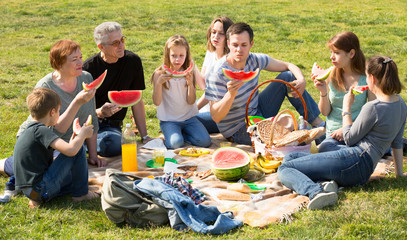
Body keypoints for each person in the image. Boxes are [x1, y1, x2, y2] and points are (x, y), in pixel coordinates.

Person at [278, 56, 407, 210]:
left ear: (371, 78)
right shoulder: (400, 103)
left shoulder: (373, 107)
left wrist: (347, 109)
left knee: (284, 169)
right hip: (363, 168)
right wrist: (399, 173)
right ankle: (326, 184)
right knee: (291, 158)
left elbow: (349, 139)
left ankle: (315, 192)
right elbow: (397, 142)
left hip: (355, 160)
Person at [0, 39, 105, 179]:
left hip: (66, 145)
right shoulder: (45, 87)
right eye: (74, 59)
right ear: (59, 63)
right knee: (50, 172)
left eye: (80, 57)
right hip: (40, 142)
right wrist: (77, 102)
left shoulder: (86, 78)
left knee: (69, 172)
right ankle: (7, 164)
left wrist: (93, 156)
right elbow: (54, 130)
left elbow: (91, 118)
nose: (80, 62)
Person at [205, 22, 324, 145]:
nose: (239, 50)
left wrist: (301, 79)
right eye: (235, 45)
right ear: (228, 44)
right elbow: (216, 117)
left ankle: (318, 123)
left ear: (251, 44)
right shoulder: (217, 73)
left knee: (287, 77)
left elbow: (288, 66)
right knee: (285, 139)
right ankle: (312, 137)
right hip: (238, 129)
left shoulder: (255, 60)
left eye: (244, 45)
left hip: (257, 110)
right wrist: (230, 95)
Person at [14, 88, 99, 208]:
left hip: (30, 192)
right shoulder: (41, 131)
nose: (59, 114)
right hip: (41, 189)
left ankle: (37, 200)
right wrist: (83, 135)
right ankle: (81, 194)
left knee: (70, 178)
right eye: (59, 111)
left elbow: (66, 148)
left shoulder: (31, 130)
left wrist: (75, 138)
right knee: (78, 149)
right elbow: (71, 151)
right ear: (52, 112)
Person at [82, 21, 152, 157]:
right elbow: (80, 110)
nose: (121, 46)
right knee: (111, 144)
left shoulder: (133, 61)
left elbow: (136, 101)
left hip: (112, 127)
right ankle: (85, 143)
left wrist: (145, 137)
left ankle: (89, 144)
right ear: (101, 47)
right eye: (115, 43)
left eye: (122, 40)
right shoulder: (88, 69)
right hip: (90, 124)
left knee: (112, 144)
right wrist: (99, 112)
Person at [314, 31, 375, 153]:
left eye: (336, 53)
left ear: (351, 53)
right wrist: (323, 92)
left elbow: (372, 113)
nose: (332, 56)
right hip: (332, 136)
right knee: (326, 148)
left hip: (357, 133)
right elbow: (325, 112)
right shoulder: (331, 74)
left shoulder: (366, 78)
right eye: (331, 52)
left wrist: (348, 129)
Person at [152, 35, 211, 149]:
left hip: (189, 118)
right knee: (176, 144)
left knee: (205, 142)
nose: (177, 59)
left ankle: (182, 135)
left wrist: (190, 84)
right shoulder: (159, 74)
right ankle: (173, 136)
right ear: (167, 55)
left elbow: (191, 101)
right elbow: (156, 102)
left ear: (186, 55)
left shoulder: (190, 71)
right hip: (169, 120)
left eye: (181, 56)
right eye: (173, 56)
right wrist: (159, 84)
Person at [195, 16, 234, 134]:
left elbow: (209, 94)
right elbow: (203, 85)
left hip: (221, 113)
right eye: (213, 32)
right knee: (178, 111)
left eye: (220, 34)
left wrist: (192, 111)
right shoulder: (211, 52)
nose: (215, 36)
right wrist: (190, 63)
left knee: (188, 120)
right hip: (207, 107)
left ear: (228, 37)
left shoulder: (229, 61)